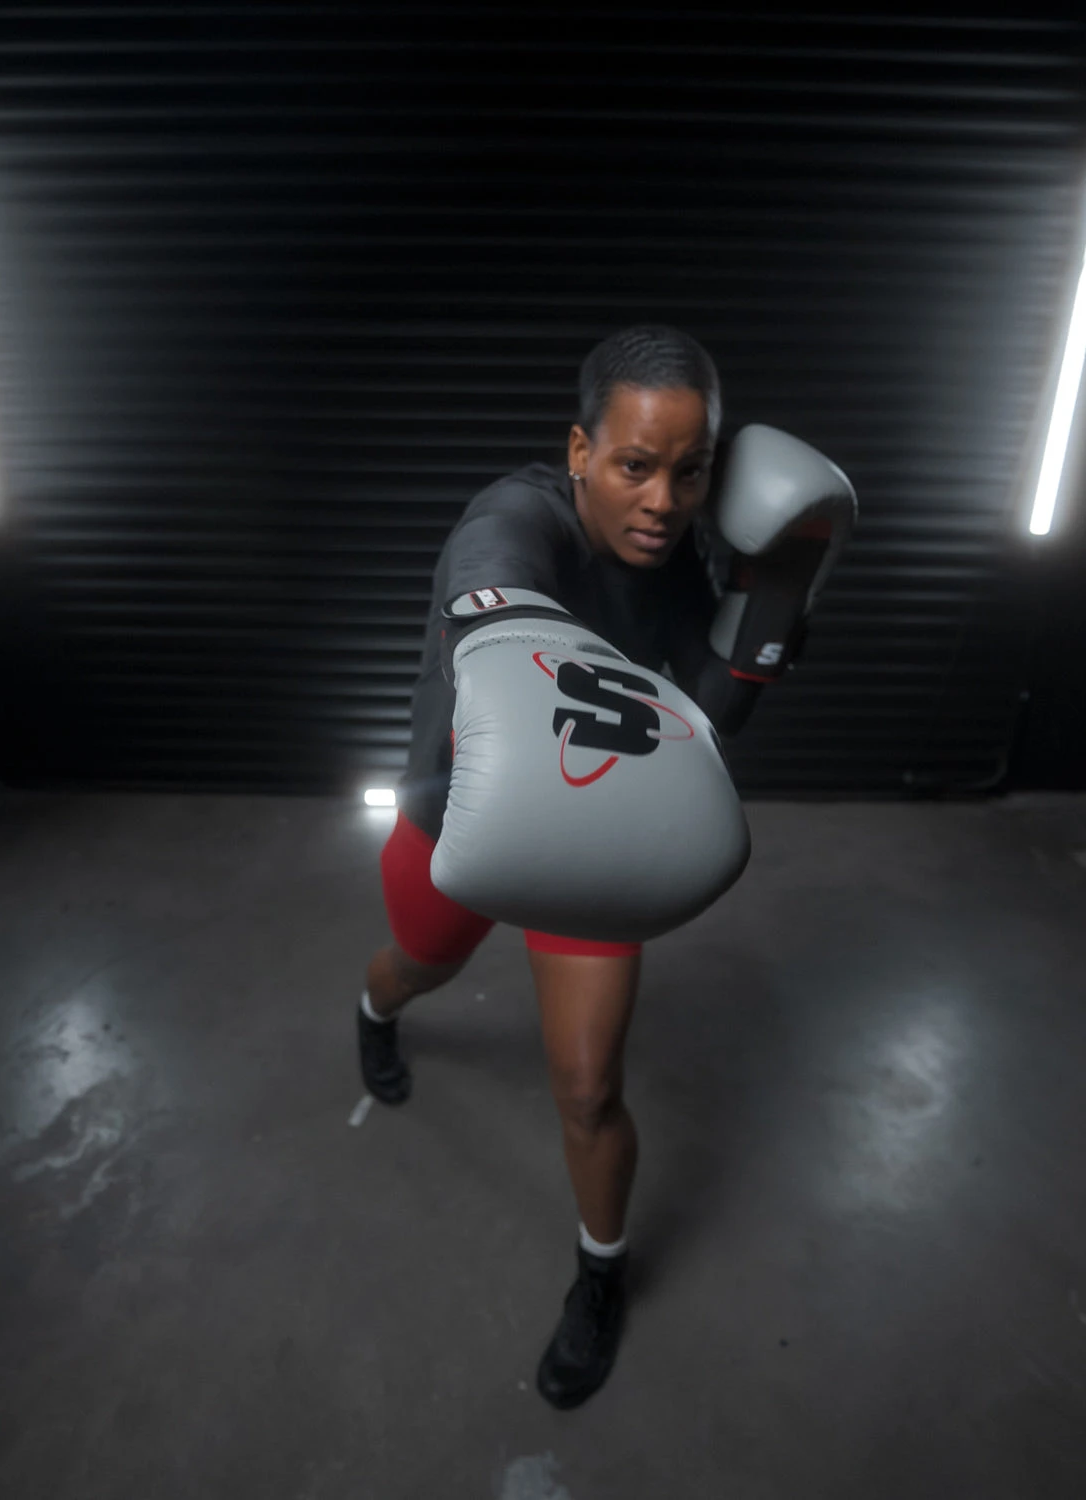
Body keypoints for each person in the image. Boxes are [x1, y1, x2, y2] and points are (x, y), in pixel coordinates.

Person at [356, 324, 853, 1410]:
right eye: (635, 465)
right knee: (417, 965)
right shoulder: (516, 517)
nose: (663, 502)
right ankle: (373, 1012)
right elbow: (486, 574)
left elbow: (708, 723)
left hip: (593, 831)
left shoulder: (678, 564)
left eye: (690, 472)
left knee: (587, 1088)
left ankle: (600, 1272)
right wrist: (497, 621)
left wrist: (769, 606)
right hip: (457, 822)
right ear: (580, 451)